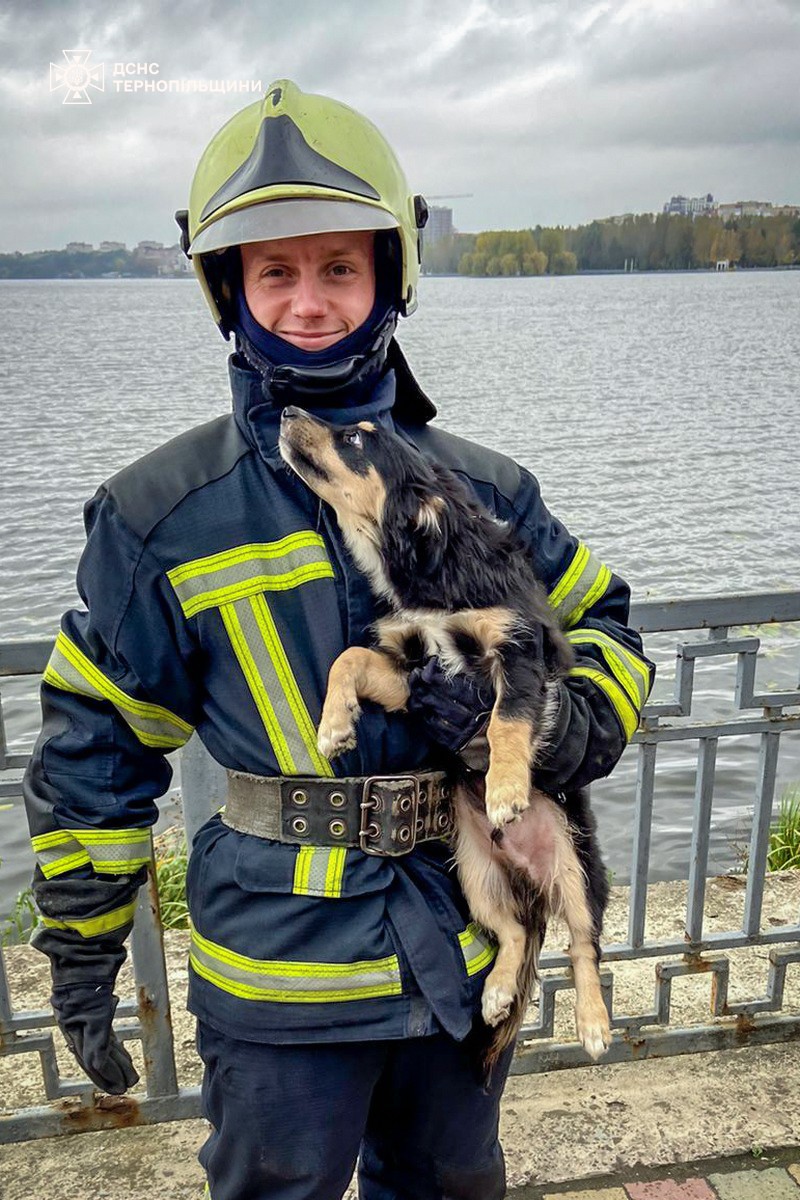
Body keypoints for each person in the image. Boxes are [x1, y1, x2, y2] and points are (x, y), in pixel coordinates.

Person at [23, 79, 654, 1199]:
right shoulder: (158, 514)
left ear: (387, 277)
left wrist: (556, 728)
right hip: (277, 979)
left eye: (337, 269)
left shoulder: (487, 491)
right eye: (275, 272)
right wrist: (82, 947)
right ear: (231, 289)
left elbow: (603, 630)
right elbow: (97, 746)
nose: (308, 302)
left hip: (458, 949)